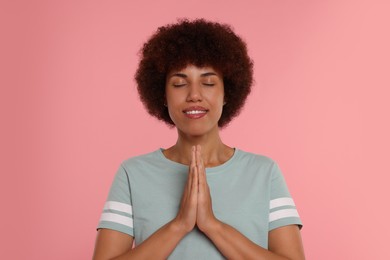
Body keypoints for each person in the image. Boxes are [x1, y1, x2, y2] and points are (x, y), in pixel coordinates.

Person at [93, 19, 305, 260]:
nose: (194, 95)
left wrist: (212, 226)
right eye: (179, 83)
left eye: (208, 82)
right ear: (162, 95)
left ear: (227, 93)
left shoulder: (264, 173)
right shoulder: (132, 174)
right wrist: (180, 224)